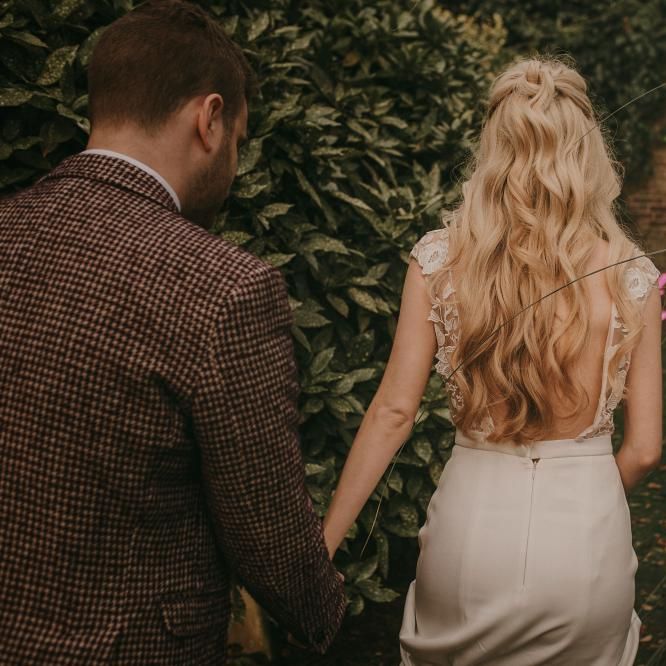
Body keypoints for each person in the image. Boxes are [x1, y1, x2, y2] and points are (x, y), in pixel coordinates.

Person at [0, 1, 346, 663]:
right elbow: (268, 538)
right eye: (238, 139)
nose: (234, 164)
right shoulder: (225, 289)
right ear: (209, 119)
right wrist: (324, 611)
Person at [322, 56, 662, 665]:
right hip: (587, 543)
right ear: (588, 153)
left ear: (493, 149)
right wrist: (588, 491)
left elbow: (393, 413)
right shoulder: (631, 274)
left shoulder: (438, 260)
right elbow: (643, 451)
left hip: (469, 537)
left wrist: (320, 547)